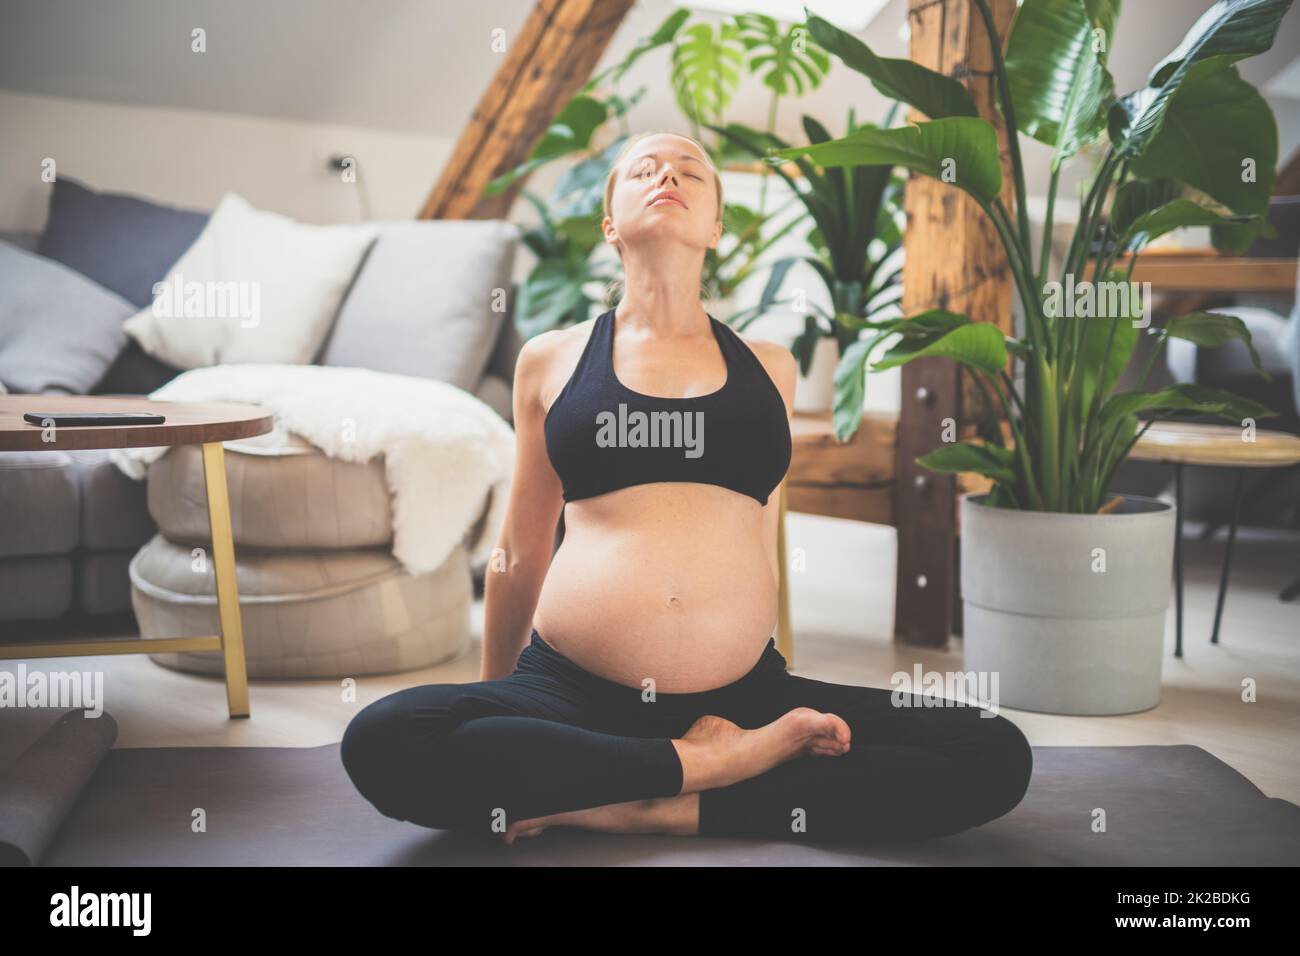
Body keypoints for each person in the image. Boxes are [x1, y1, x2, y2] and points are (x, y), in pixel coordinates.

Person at [340, 131, 1033, 845]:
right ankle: (702, 771)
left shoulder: (772, 367)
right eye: (643, 169)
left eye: (690, 172)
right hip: (570, 690)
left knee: (991, 750)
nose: (667, 174)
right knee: (383, 737)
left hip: (745, 702)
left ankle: (647, 797)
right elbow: (519, 550)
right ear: (610, 221)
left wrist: (522, 782)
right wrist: (500, 709)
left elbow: (756, 531)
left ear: (715, 227)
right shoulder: (551, 360)